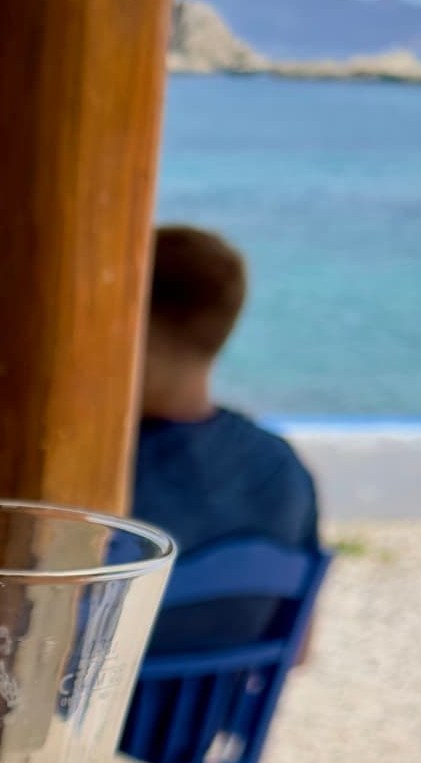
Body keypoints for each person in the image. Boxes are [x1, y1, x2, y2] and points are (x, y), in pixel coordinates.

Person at [133, 226, 319, 657]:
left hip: (93, 723)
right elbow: (299, 648)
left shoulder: (106, 474)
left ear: (135, 326)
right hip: (208, 722)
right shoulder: (282, 468)